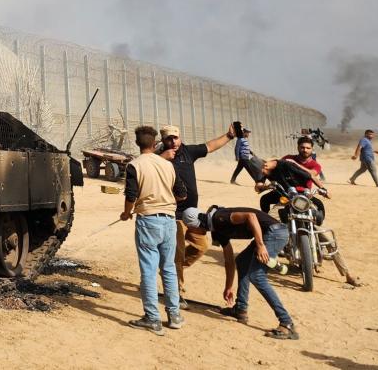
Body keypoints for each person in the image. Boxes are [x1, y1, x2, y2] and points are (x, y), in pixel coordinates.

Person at [181, 205, 298, 340]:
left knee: (257, 276)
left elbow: (251, 216)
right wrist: (228, 286)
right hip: (268, 233)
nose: (192, 232)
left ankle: (286, 323)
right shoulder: (216, 230)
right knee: (242, 261)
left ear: (196, 224)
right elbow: (229, 260)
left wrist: (260, 246)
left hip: (275, 233)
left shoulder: (220, 218)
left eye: (190, 228)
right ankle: (240, 309)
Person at [158, 123, 237, 305]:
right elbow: (143, 165)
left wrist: (229, 136)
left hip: (192, 214)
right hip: (172, 214)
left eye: (175, 137)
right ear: (163, 140)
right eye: (169, 138)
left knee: (201, 247)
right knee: (177, 253)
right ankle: (176, 291)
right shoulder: (157, 157)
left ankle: (170, 270)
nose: (173, 142)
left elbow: (209, 146)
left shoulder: (187, 152)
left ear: (180, 137)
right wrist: (162, 158)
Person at [120, 125, 186, 335]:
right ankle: (174, 315)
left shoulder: (134, 165)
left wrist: (126, 213)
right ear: (155, 142)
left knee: (148, 270)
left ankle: (152, 318)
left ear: (138, 143)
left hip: (148, 221)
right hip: (169, 220)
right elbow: (182, 194)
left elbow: (131, 195)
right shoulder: (167, 164)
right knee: (168, 268)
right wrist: (164, 200)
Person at [264, 141, 360, 286]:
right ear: (298, 147)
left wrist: (323, 188)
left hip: (306, 198)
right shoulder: (288, 157)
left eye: (308, 148)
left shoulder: (315, 165)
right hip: (287, 198)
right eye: (302, 147)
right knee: (268, 222)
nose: (305, 150)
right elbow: (273, 166)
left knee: (327, 236)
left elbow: (311, 175)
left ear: (312, 150)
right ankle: (264, 259)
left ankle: (348, 274)